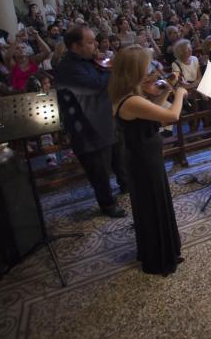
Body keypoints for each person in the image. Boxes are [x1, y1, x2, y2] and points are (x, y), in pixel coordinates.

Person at [110, 45, 188, 275]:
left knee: (156, 204)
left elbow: (152, 111)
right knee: (153, 207)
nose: (152, 70)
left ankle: (164, 252)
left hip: (146, 157)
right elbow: (172, 116)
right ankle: (159, 260)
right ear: (135, 71)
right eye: (147, 66)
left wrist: (167, 88)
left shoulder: (133, 97)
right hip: (143, 161)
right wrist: (180, 94)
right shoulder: (131, 100)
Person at [54, 26, 128, 218]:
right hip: (87, 129)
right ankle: (108, 204)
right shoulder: (68, 68)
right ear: (75, 46)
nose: (96, 44)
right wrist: (111, 68)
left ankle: (125, 186)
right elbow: (95, 86)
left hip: (105, 120)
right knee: (99, 171)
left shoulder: (88, 61)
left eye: (95, 40)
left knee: (118, 159)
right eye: (90, 42)